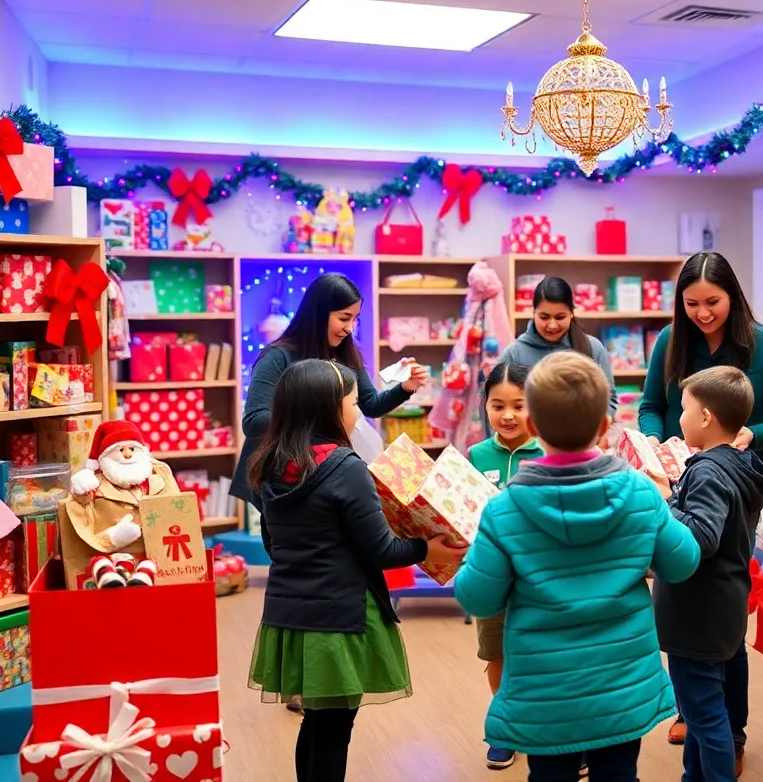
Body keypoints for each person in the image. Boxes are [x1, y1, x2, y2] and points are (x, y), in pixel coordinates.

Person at [455, 352, 701, 782]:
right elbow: (683, 564)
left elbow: (477, 597)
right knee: (619, 773)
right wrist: (665, 503)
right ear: (605, 428)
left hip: (544, 688)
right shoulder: (640, 493)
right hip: (622, 683)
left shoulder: (504, 508)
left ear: (533, 426)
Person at [246, 359, 467, 782]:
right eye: (352, 402)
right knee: (335, 730)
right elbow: (383, 550)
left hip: (289, 615)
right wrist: (428, 547)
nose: (357, 411)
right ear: (326, 409)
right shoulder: (346, 468)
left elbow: (273, 545)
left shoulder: (271, 465)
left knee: (315, 722)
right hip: (340, 618)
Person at [231, 272, 429, 712]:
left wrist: (405, 390)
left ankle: (324, 674)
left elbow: (369, 405)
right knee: (299, 571)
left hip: (328, 466)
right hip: (286, 473)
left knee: (336, 568)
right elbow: (254, 421)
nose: (349, 328)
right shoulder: (278, 357)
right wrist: (310, 417)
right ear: (320, 312)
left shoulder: (345, 354)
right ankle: (301, 679)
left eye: (355, 319)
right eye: (344, 317)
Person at [639, 251, 763, 771]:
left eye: (713, 302)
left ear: (733, 295)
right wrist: (658, 442)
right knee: (692, 593)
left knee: (726, 600)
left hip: (735, 480)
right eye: (692, 304)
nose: (703, 313)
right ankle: (696, 706)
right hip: (681, 474)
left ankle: (729, 728)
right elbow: (649, 405)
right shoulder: (670, 342)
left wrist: (751, 435)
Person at [654, 366, 763, 782]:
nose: (679, 418)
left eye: (684, 409)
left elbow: (700, 537)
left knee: (704, 716)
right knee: (707, 710)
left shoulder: (706, 470)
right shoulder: (737, 463)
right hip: (722, 604)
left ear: (705, 417)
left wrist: (665, 499)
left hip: (697, 613)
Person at [466, 361, 544, 771]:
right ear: (486, 407)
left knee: (540, 655)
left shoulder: (548, 450)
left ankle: (552, 732)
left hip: (538, 580)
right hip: (493, 577)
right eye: (498, 405)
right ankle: (505, 727)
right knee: (496, 653)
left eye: (519, 405)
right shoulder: (477, 454)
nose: (509, 415)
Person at [498, 275, 618, 421]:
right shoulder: (514, 354)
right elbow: (498, 406)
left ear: (572, 313)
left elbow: (609, 399)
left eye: (560, 317)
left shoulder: (593, 348)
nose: (552, 325)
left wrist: (592, 429)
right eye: (544, 317)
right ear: (533, 312)